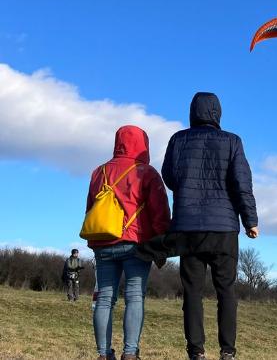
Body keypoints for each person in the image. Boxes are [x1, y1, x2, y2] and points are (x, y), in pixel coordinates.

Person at [138, 92, 258, 360]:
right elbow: (242, 183)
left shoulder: (178, 139)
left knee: (192, 291)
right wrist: (250, 220)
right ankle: (228, 351)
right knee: (226, 290)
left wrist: (189, 191)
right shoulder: (233, 141)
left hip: (188, 226)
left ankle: (196, 351)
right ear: (218, 113)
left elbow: (169, 176)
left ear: (192, 112)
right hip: (224, 228)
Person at [87, 125, 171, 360]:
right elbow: (159, 213)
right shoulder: (147, 172)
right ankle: (130, 353)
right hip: (136, 242)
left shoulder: (99, 172)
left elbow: (91, 208)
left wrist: (94, 240)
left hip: (103, 241)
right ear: (143, 145)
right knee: (134, 296)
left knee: (104, 299)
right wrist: (161, 247)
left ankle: (103, 354)